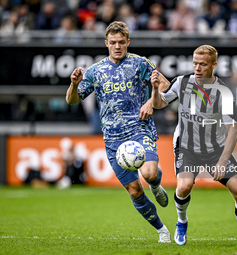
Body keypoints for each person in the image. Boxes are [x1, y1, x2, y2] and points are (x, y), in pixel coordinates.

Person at [66, 21, 171, 243]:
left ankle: (156, 185)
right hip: (113, 139)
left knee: (150, 173)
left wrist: (151, 102)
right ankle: (162, 230)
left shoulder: (141, 64)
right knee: (134, 191)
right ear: (106, 43)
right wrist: (74, 85)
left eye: (121, 42)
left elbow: (165, 85)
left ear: (128, 42)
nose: (117, 46)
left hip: (138, 128)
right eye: (112, 43)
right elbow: (72, 100)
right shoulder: (96, 71)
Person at [151, 45, 237, 246]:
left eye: (203, 64)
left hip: (216, 149)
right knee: (184, 187)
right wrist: (154, 89)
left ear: (214, 65)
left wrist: (222, 162)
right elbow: (160, 104)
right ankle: (181, 222)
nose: (198, 68)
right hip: (186, 146)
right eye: (195, 63)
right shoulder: (182, 82)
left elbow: (233, 130)